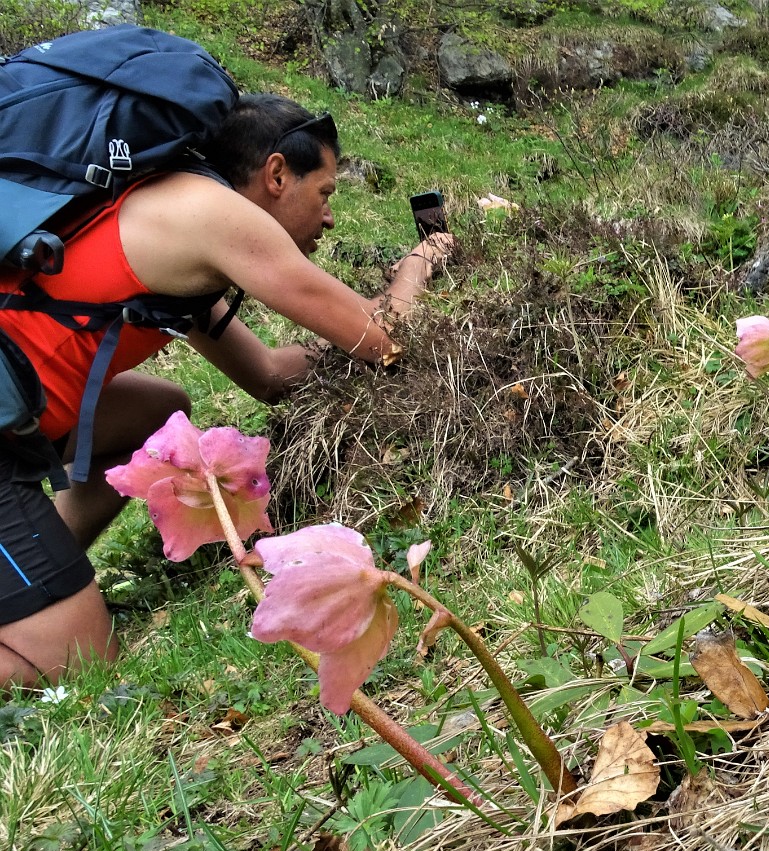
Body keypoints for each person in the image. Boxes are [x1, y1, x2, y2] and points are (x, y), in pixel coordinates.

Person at [0, 93, 456, 687]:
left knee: (160, 412)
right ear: (276, 173)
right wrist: (417, 267)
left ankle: (41, 569)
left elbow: (266, 373)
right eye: (324, 195)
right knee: (74, 665)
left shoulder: (168, 216)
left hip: (19, 416)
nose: (329, 218)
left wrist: (345, 340)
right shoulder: (212, 214)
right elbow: (383, 341)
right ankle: (38, 602)